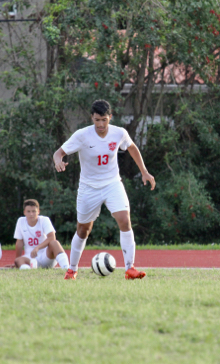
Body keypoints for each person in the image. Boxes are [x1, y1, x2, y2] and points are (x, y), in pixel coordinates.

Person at [53, 99, 156, 280]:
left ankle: (130, 268)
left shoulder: (119, 133)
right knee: (83, 230)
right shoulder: (82, 135)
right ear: (92, 118)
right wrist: (58, 161)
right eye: (97, 120)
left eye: (104, 120)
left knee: (124, 220)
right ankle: (72, 269)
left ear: (110, 117)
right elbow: (58, 152)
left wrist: (145, 172)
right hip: (88, 187)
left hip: (112, 184)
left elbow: (132, 148)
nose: (100, 124)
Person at [13, 199, 70, 271]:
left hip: (45, 256)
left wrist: (38, 247)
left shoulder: (44, 220)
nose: (31, 214)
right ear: (24, 212)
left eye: (34, 211)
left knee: (55, 243)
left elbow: (52, 237)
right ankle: (28, 270)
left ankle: (67, 269)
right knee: (18, 260)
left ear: (38, 212)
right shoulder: (20, 221)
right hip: (29, 257)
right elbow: (19, 243)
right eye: (28, 211)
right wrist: (17, 261)